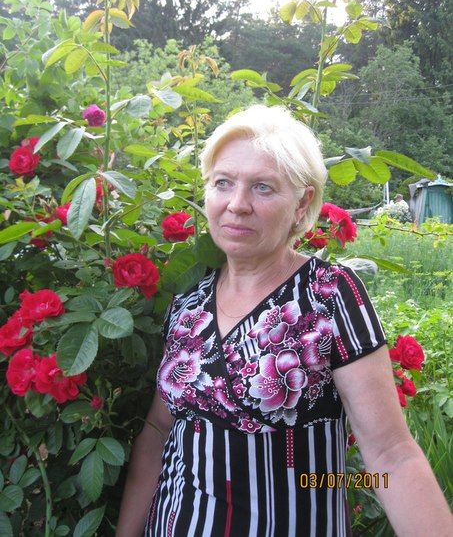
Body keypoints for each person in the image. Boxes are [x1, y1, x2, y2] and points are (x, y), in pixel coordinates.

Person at [116, 105, 453, 537]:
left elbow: (391, 455)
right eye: (223, 183)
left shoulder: (328, 296)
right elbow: (158, 432)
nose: (237, 205)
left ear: (302, 203)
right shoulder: (188, 306)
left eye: (263, 187)